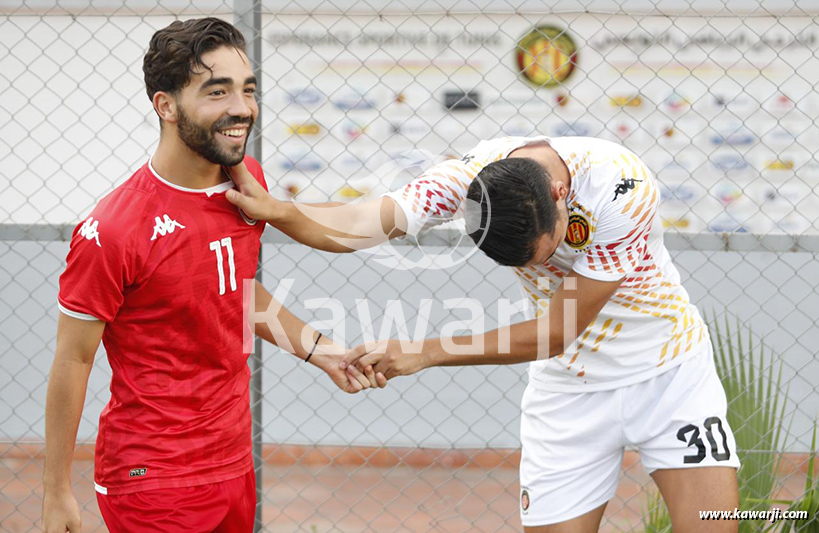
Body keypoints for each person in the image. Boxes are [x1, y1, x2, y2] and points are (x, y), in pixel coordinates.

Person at [225, 135, 741, 532]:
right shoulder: (466, 178)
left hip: (668, 373)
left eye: (549, 250)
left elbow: (557, 331)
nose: (548, 269)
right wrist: (281, 212)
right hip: (570, 391)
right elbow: (361, 224)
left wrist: (424, 353)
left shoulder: (620, 187)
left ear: (563, 195)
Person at [42, 17, 384, 533]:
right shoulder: (113, 229)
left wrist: (322, 351)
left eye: (248, 90)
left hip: (232, 462)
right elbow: (73, 358)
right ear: (166, 106)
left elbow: (233, 290)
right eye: (217, 91)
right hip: (152, 477)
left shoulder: (247, 186)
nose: (242, 108)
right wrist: (55, 492)